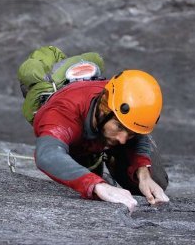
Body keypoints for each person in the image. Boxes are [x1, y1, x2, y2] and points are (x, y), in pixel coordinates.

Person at [33, 69, 169, 212]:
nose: (123, 140)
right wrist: (97, 184)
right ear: (104, 109)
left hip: (98, 134)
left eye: (130, 133)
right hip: (76, 141)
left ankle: (108, 157)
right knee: (86, 190)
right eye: (118, 127)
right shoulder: (63, 111)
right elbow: (47, 154)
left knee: (156, 180)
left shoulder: (118, 106)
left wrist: (144, 175)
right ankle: (96, 165)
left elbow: (138, 134)